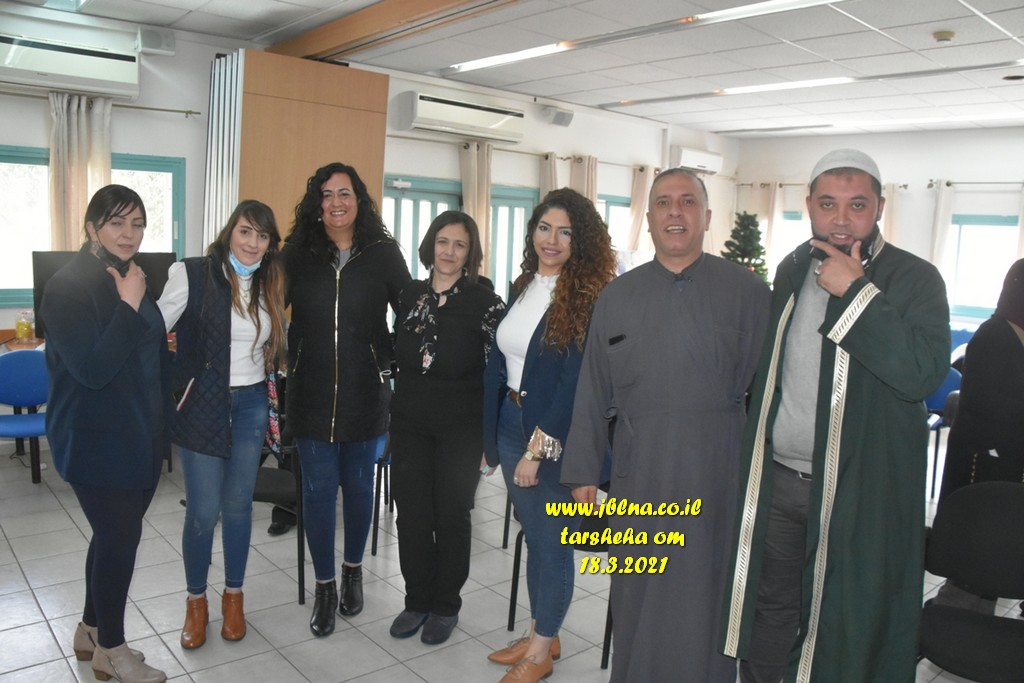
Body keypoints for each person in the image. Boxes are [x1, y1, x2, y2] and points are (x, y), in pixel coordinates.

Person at [720, 149, 951, 683]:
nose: (841, 219)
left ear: (879, 208)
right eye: (828, 204)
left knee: (847, 617)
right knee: (770, 608)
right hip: (781, 480)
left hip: (860, 489)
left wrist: (857, 292)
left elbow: (921, 374)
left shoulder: (915, 279)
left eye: (857, 205)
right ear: (809, 206)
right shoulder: (792, 268)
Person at [562, 169, 770, 683]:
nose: (675, 212)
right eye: (663, 203)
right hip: (641, 472)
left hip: (719, 470)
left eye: (687, 201)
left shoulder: (747, 291)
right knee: (639, 589)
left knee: (709, 593)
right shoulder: (617, 295)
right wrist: (583, 471)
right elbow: (593, 388)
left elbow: (771, 391)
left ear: (707, 216)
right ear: (650, 218)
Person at [483, 188, 616, 683]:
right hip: (511, 422)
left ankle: (540, 652)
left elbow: (572, 387)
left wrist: (538, 450)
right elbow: (504, 361)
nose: (552, 240)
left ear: (581, 241)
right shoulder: (525, 283)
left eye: (565, 232)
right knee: (538, 538)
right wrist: (491, 435)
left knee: (553, 542)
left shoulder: (585, 297)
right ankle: (545, 632)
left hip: (552, 437)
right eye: (544, 228)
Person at [42, 185, 170, 683]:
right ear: (92, 227)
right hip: (95, 438)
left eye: (137, 223)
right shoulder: (67, 287)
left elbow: (150, 351)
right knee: (120, 538)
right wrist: (128, 305)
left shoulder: (132, 274)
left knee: (112, 535)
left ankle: (90, 630)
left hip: (141, 431)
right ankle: (111, 651)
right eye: (116, 222)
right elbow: (93, 371)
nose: (128, 233)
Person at [282, 162, 411, 637]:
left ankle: (353, 570)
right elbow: (267, 307)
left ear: (359, 200)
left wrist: (388, 358)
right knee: (318, 494)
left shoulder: (382, 253)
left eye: (344, 193)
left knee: (358, 490)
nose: (335, 202)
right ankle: (325, 586)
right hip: (310, 394)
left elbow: (410, 313)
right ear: (316, 204)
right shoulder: (297, 253)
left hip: (365, 394)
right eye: (326, 194)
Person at [157, 200, 286, 649]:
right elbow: (152, 328)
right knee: (202, 511)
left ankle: (234, 597)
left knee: (238, 507)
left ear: (270, 245)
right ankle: (196, 603)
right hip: (203, 404)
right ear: (230, 231)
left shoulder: (269, 282)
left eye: (262, 236)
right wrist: (174, 383)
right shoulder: (191, 273)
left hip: (250, 404)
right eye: (245, 231)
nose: (252, 243)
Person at [388, 211, 504, 645]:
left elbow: (499, 373)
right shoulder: (409, 295)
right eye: (442, 242)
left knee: (451, 515)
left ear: (470, 252)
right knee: (412, 514)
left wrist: (490, 439)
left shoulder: (486, 304)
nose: (449, 252)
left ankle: (445, 605)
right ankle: (416, 600)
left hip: (462, 429)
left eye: (459, 245)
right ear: (430, 245)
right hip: (410, 424)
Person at [933, 258, 1024, 613]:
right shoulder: (994, 334)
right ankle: (946, 620)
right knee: (975, 546)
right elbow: (988, 404)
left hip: (1005, 456)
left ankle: (974, 618)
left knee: (995, 548)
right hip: (982, 458)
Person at [940, 258, 1024, 497]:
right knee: (978, 513)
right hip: (983, 454)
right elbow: (981, 399)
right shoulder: (994, 334)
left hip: (1007, 450)